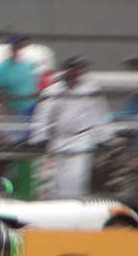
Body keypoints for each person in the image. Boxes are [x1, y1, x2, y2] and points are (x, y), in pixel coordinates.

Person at [31, 54, 114, 198]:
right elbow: (42, 115)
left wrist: (105, 137)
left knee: (77, 178)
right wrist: (39, 137)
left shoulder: (91, 89)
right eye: (78, 69)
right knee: (57, 180)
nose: (81, 73)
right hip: (59, 139)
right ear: (70, 70)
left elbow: (100, 113)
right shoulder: (53, 90)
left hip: (82, 139)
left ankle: (75, 206)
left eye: (83, 69)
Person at [0, 35, 39, 139]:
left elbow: (34, 85)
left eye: (20, 46)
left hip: (31, 111)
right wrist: (9, 109)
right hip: (13, 113)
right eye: (15, 46)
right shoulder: (2, 68)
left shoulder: (28, 64)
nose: (18, 49)